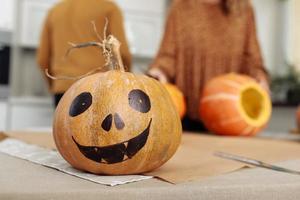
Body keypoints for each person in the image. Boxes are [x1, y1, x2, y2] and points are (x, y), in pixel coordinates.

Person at [148, 0, 269, 131]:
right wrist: (159, 71)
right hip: (187, 119)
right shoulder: (181, 6)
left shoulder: (244, 8)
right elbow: (168, 56)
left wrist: (259, 77)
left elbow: (252, 59)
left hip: (230, 118)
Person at [37, 0, 132, 107]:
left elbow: (42, 59)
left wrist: (56, 85)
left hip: (62, 89)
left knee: (64, 123)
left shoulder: (55, 11)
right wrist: (126, 84)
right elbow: (122, 53)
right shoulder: (109, 8)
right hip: (98, 87)